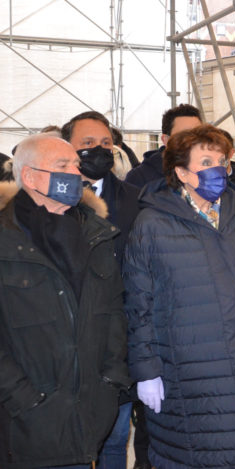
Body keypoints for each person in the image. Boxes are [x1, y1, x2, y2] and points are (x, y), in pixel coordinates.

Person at [123, 124, 235, 468]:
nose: (218, 168)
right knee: (200, 452)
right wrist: (146, 369)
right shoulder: (153, 224)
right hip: (189, 372)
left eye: (222, 160)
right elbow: (138, 304)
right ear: (182, 172)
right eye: (206, 160)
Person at [0, 133, 129, 468]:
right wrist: (24, 400)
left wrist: (110, 382)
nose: (76, 173)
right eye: (62, 165)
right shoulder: (5, 238)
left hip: (89, 415)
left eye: (75, 165)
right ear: (28, 176)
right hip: (23, 424)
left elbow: (115, 314)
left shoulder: (96, 234)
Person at [60, 110, 141, 469]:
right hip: (65, 341)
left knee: (117, 436)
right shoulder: (51, 201)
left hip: (118, 340)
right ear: (68, 149)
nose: (99, 150)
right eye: (88, 144)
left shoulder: (138, 200)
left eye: (106, 143)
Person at [125, 103, 202, 188]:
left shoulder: (210, 171)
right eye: (183, 135)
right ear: (166, 140)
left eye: (198, 134)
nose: (193, 140)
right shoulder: (140, 178)